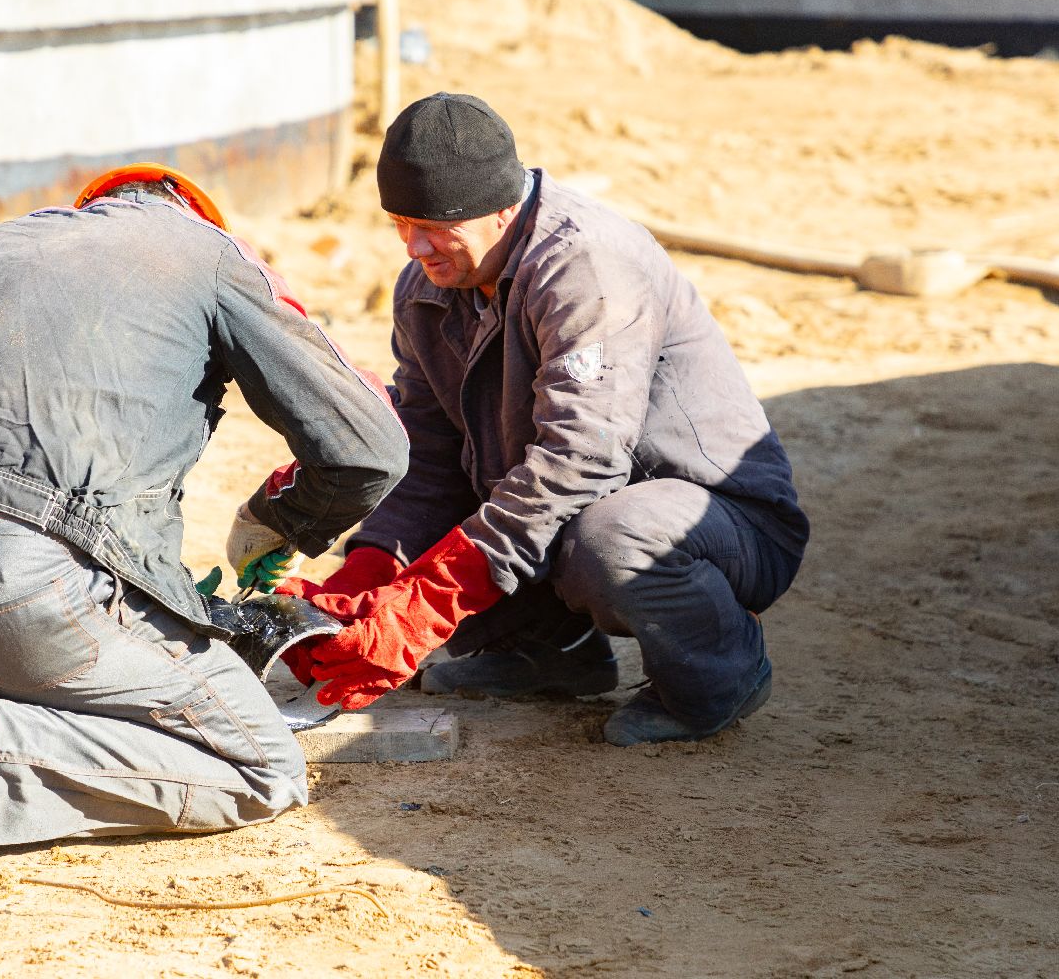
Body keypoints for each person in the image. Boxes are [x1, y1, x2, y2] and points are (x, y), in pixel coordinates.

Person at [0, 163, 407, 876]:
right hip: (4, 582)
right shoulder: (205, 254)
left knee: (33, 630)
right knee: (261, 764)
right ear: (198, 218)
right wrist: (283, 519)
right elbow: (370, 448)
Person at [280, 93, 809, 746]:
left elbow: (583, 458)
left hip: (714, 523)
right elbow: (428, 457)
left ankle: (720, 675)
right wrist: (369, 575)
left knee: (605, 540)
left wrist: (429, 601)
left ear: (502, 208)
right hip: (583, 506)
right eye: (399, 223)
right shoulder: (426, 289)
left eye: (434, 226)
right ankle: (550, 653)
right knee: (464, 528)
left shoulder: (585, 266)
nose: (415, 247)